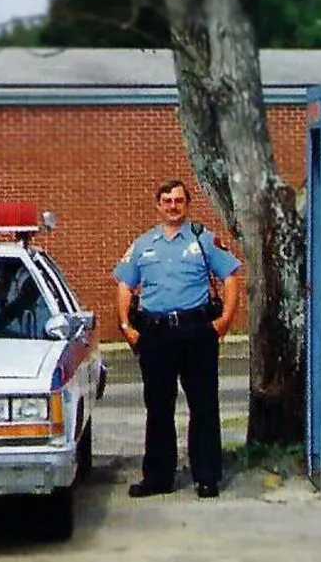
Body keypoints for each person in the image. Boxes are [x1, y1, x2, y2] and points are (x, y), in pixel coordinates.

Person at [112, 179, 242, 499]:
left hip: (197, 332)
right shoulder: (143, 244)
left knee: (204, 406)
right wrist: (127, 326)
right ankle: (158, 477)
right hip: (155, 334)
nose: (173, 206)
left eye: (179, 201)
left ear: (187, 204)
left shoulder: (203, 239)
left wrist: (224, 321)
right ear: (158, 205)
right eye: (167, 201)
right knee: (158, 407)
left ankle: (207, 476)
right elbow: (125, 285)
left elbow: (230, 277)